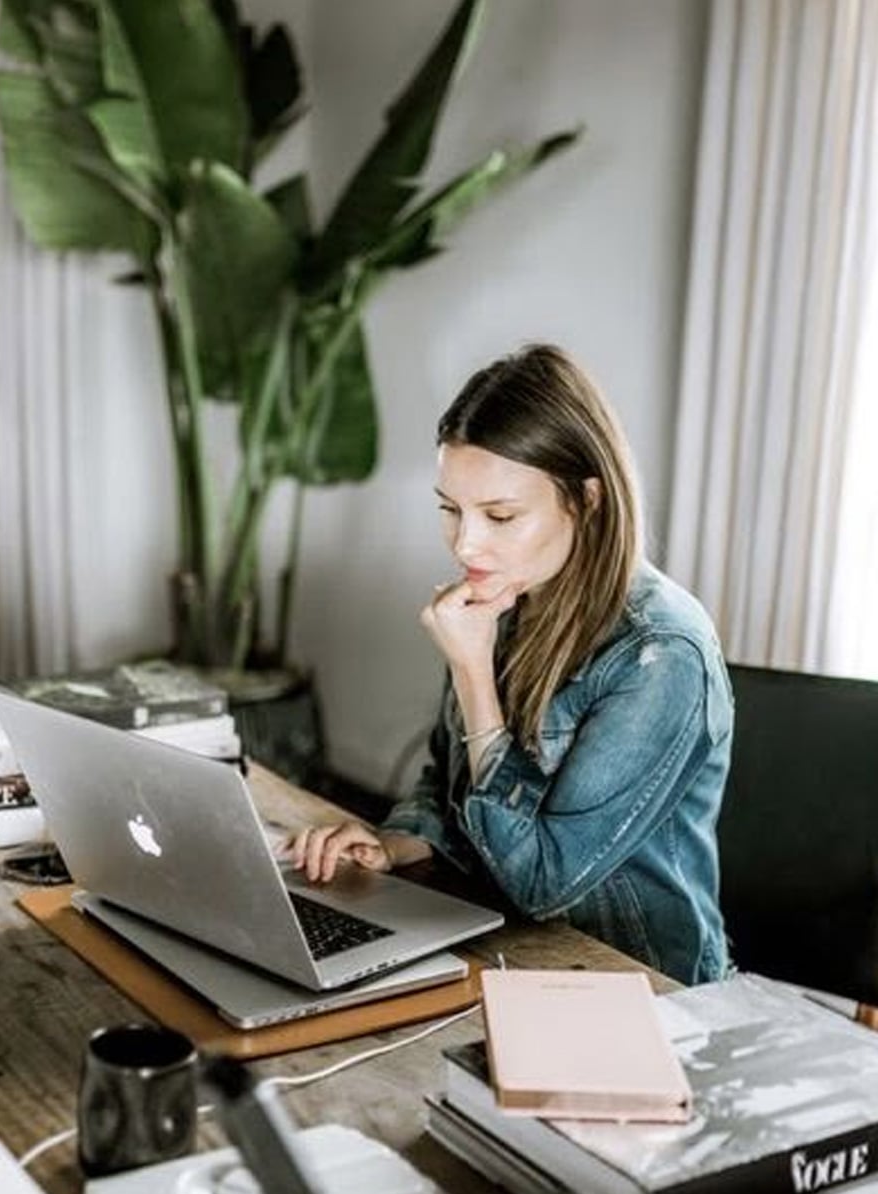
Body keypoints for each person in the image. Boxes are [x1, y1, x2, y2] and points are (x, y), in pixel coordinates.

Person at [292, 343, 732, 985]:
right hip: (502, 944)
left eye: (500, 516)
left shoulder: (661, 654)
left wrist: (473, 674)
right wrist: (395, 842)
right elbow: (450, 778)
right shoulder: (509, 592)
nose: (466, 543)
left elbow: (545, 885)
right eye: (451, 509)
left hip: (637, 984)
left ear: (586, 500)